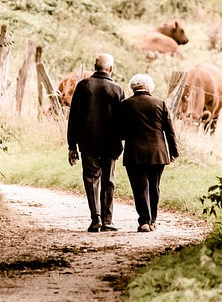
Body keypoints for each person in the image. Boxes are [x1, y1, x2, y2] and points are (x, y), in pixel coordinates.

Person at [67, 53, 125, 232]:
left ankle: (96, 218)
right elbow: (123, 120)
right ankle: (108, 221)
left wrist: (72, 146)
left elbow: (74, 118)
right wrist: (121, 139)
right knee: (108, 180)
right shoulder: (117, 89)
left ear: (94, 66)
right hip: (111, 143)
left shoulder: (83, 86)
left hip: (88, 141)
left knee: (91, 178)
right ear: (111, 69)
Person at [120, 74, 179, 233]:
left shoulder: (125, 105)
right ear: (149, 87)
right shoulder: (160, 104)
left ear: (133, 87)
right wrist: (173, 151)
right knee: (154, 186)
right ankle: (153, 220)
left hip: (134, 153)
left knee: (140, 187)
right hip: (157, 152)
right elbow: (169, 131)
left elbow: (120, 132)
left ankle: (144, 221)